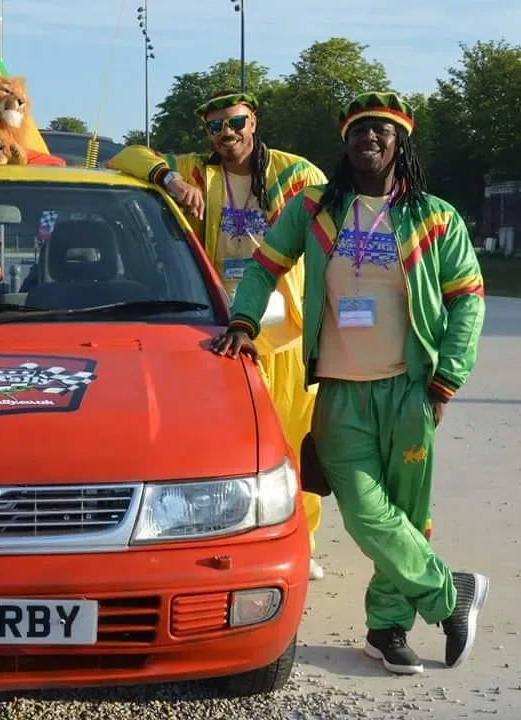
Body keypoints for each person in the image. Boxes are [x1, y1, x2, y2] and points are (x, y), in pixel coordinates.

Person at [211, 91, 489, 675]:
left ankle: (387, 629)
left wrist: (446, 379)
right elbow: (265, 265)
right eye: (360, 130)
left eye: (382, 131)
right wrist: (242, 319)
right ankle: (449, 593)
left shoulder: (435, 217)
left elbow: (468, 299)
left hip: (411, 390)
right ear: (345, 141)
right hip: (338, 393)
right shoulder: (315, 209)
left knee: (407, 517)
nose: (370, 139)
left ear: (400, 142)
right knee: (365, 513)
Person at [108, 88, 329, 580]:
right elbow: (124, 155)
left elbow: (330, 229)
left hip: (285, 326)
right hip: (223, 329)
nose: (227, 134)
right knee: (234, 441)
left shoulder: (297, 173)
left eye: (236, 122)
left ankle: (304, 539)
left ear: (254, 121)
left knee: (295, 435)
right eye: (216, 127)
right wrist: (167, 177)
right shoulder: (196, 172)